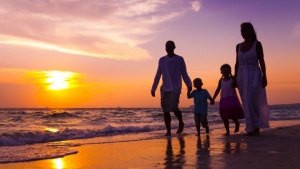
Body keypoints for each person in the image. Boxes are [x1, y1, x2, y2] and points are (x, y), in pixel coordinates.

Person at [234, 22, 270, 135]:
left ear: (250, 30)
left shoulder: (257, 44)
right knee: (246, 100)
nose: (242, 33)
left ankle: (257, 126)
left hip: (254, 73)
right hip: (242, 75)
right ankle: (250, 127)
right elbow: (237, 63)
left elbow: (262, 61)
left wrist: (265, 76)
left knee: (253, 99)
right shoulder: (238, 46)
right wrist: (235, 78)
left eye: (244, 30)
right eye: (241, 31)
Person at [151, 40, 192, 136]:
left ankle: (181, 122)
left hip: (175, 88)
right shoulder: (162, 60)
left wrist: (189, 85)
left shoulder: (179, 59)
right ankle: (168, 131)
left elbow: (184, 73)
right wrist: (153, 88)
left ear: (174, 47)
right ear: (165, 48)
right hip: (164, 88)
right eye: (167, 46)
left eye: (170, 46)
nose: (168, 48)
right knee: (165, 110)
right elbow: (158, 75)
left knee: (173, 108)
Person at [212, 64, 245, 135]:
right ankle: (227, 131)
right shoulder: (221, 80)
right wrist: (213, 98)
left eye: (227, 72)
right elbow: (218, 89)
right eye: (224, 72)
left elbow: (238, 87)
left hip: (232, 99)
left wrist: (236, 85)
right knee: (224, 116)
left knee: (233, 114)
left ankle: (237, 124)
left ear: (230, 71)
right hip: (224, 100)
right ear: (221, 72)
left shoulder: (233, 79)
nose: (226, 73)